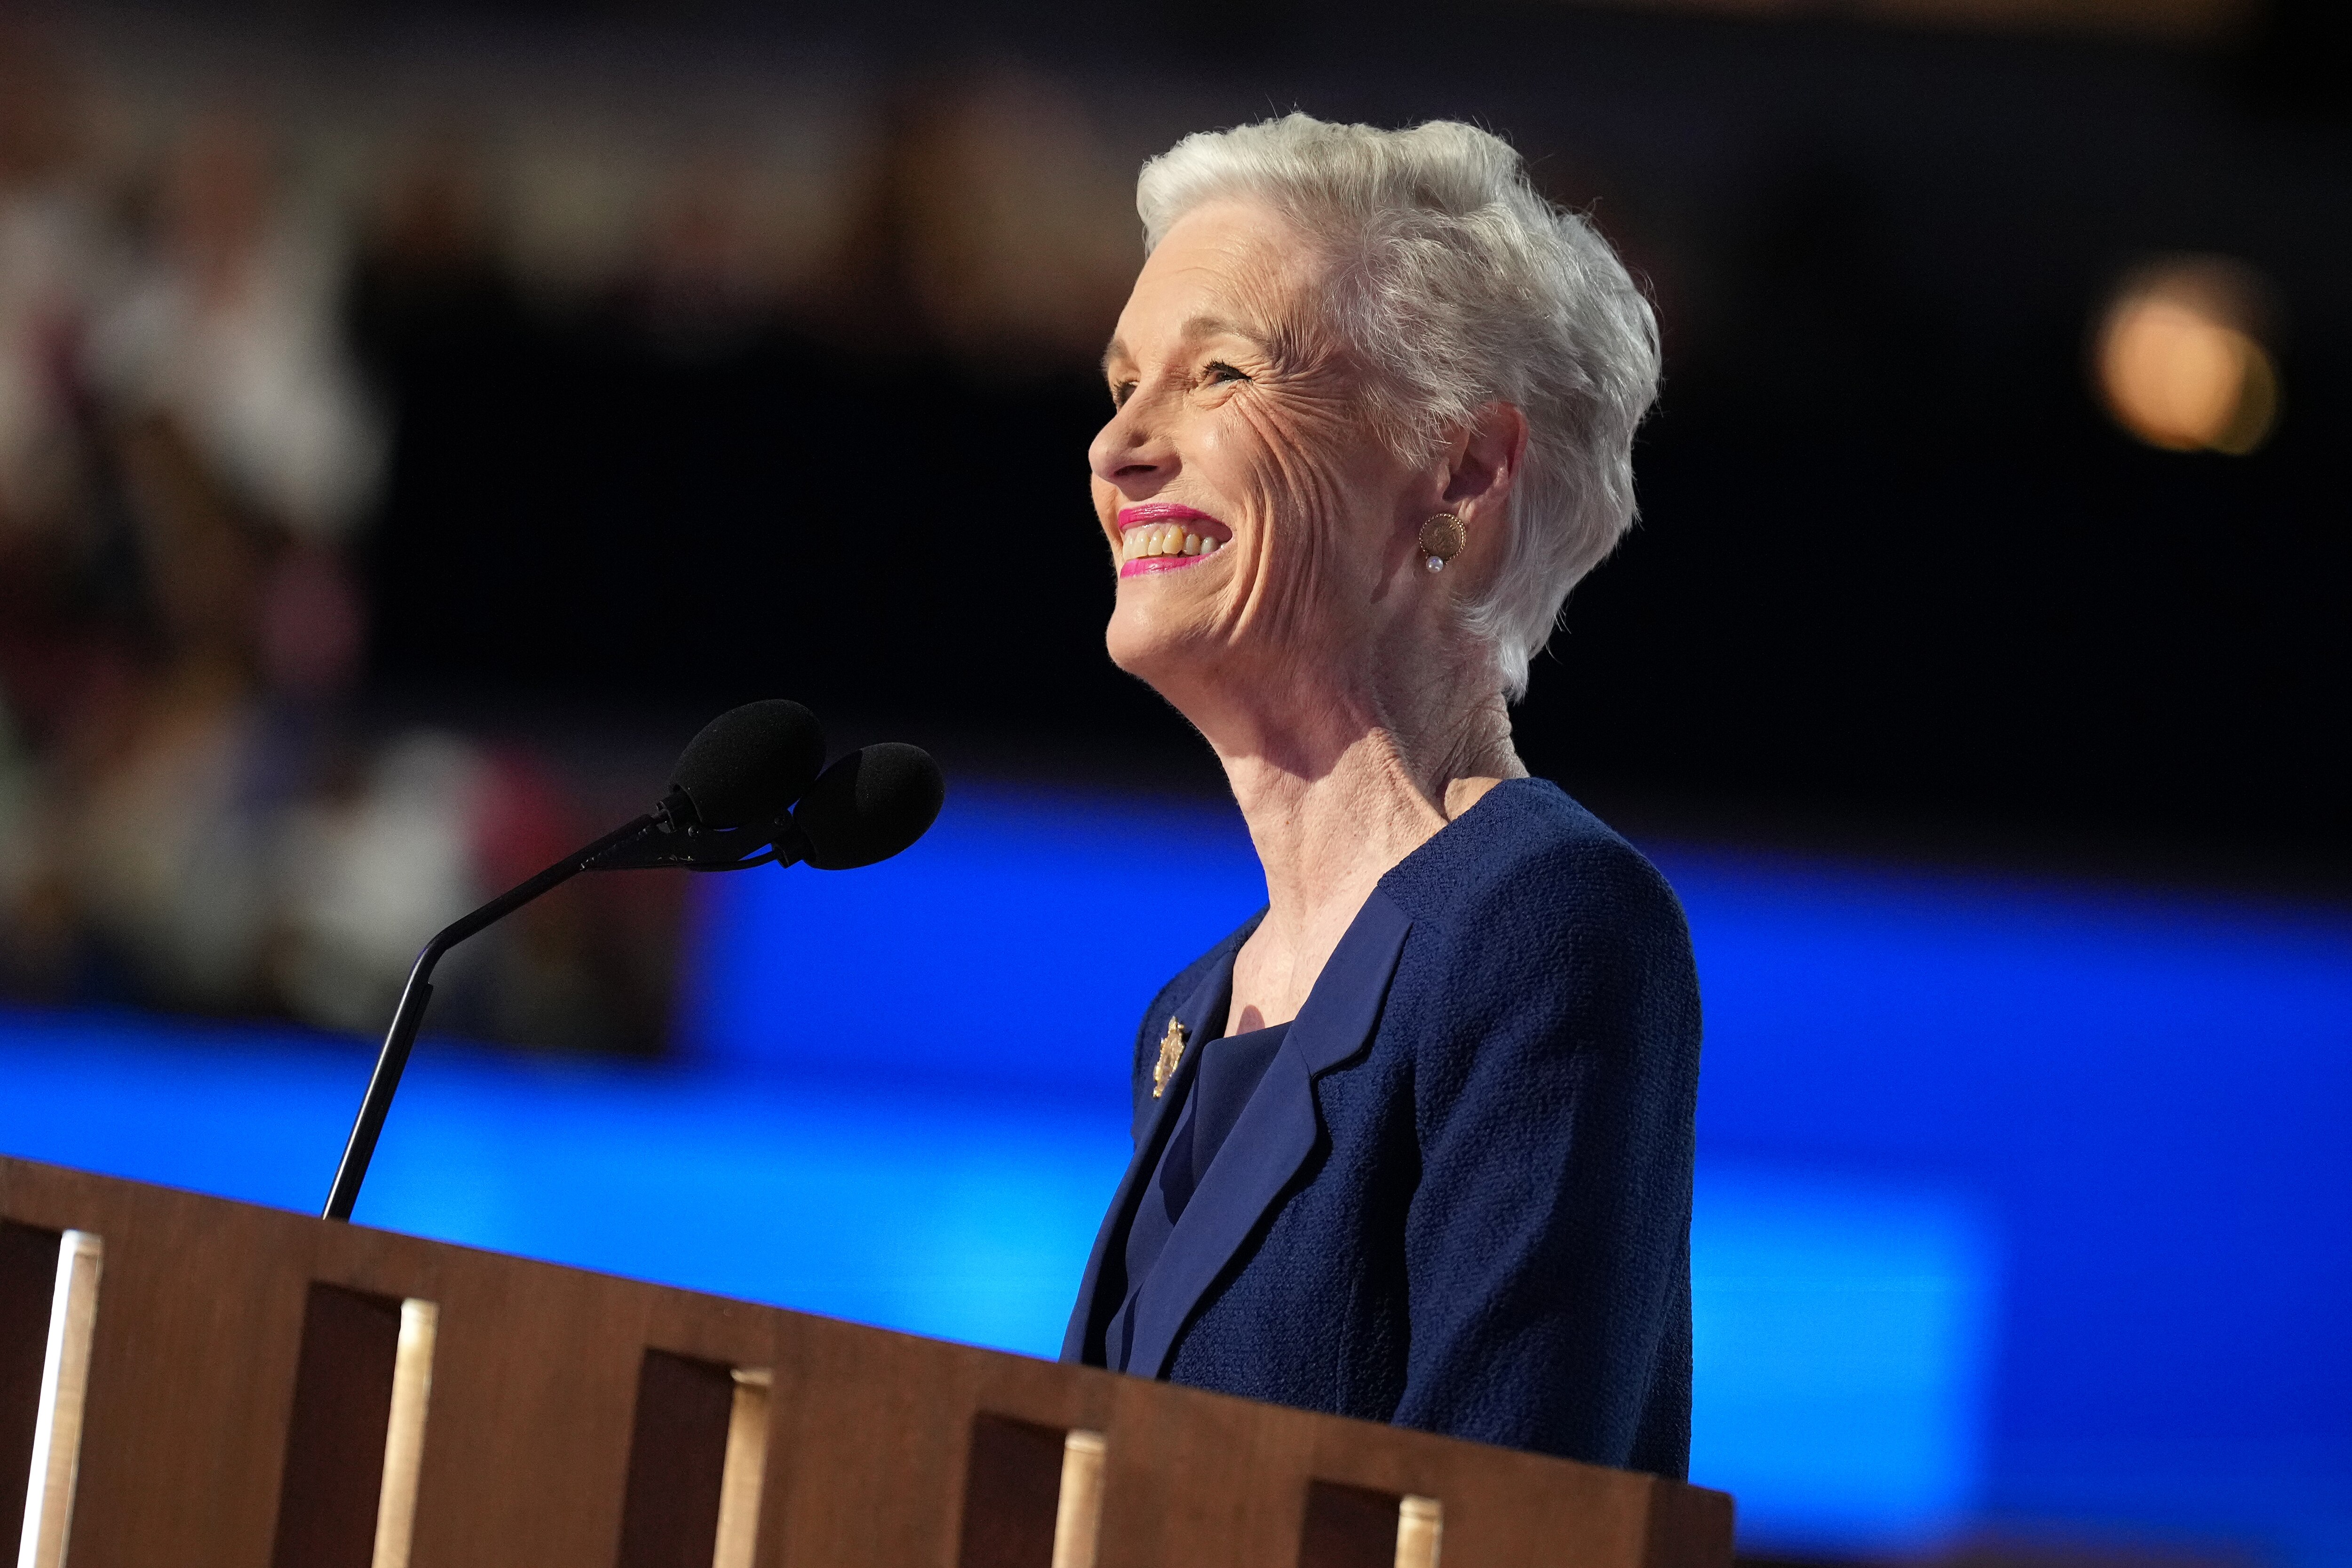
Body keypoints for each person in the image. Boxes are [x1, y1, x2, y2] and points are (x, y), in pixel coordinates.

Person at [1059, 115, 1699, 1479]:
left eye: (1217, 372)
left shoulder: (1547, 924)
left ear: (1461, 469)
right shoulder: (1192, 1015)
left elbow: (1511, 1521)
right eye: (1121, 385)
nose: (1119, 449)